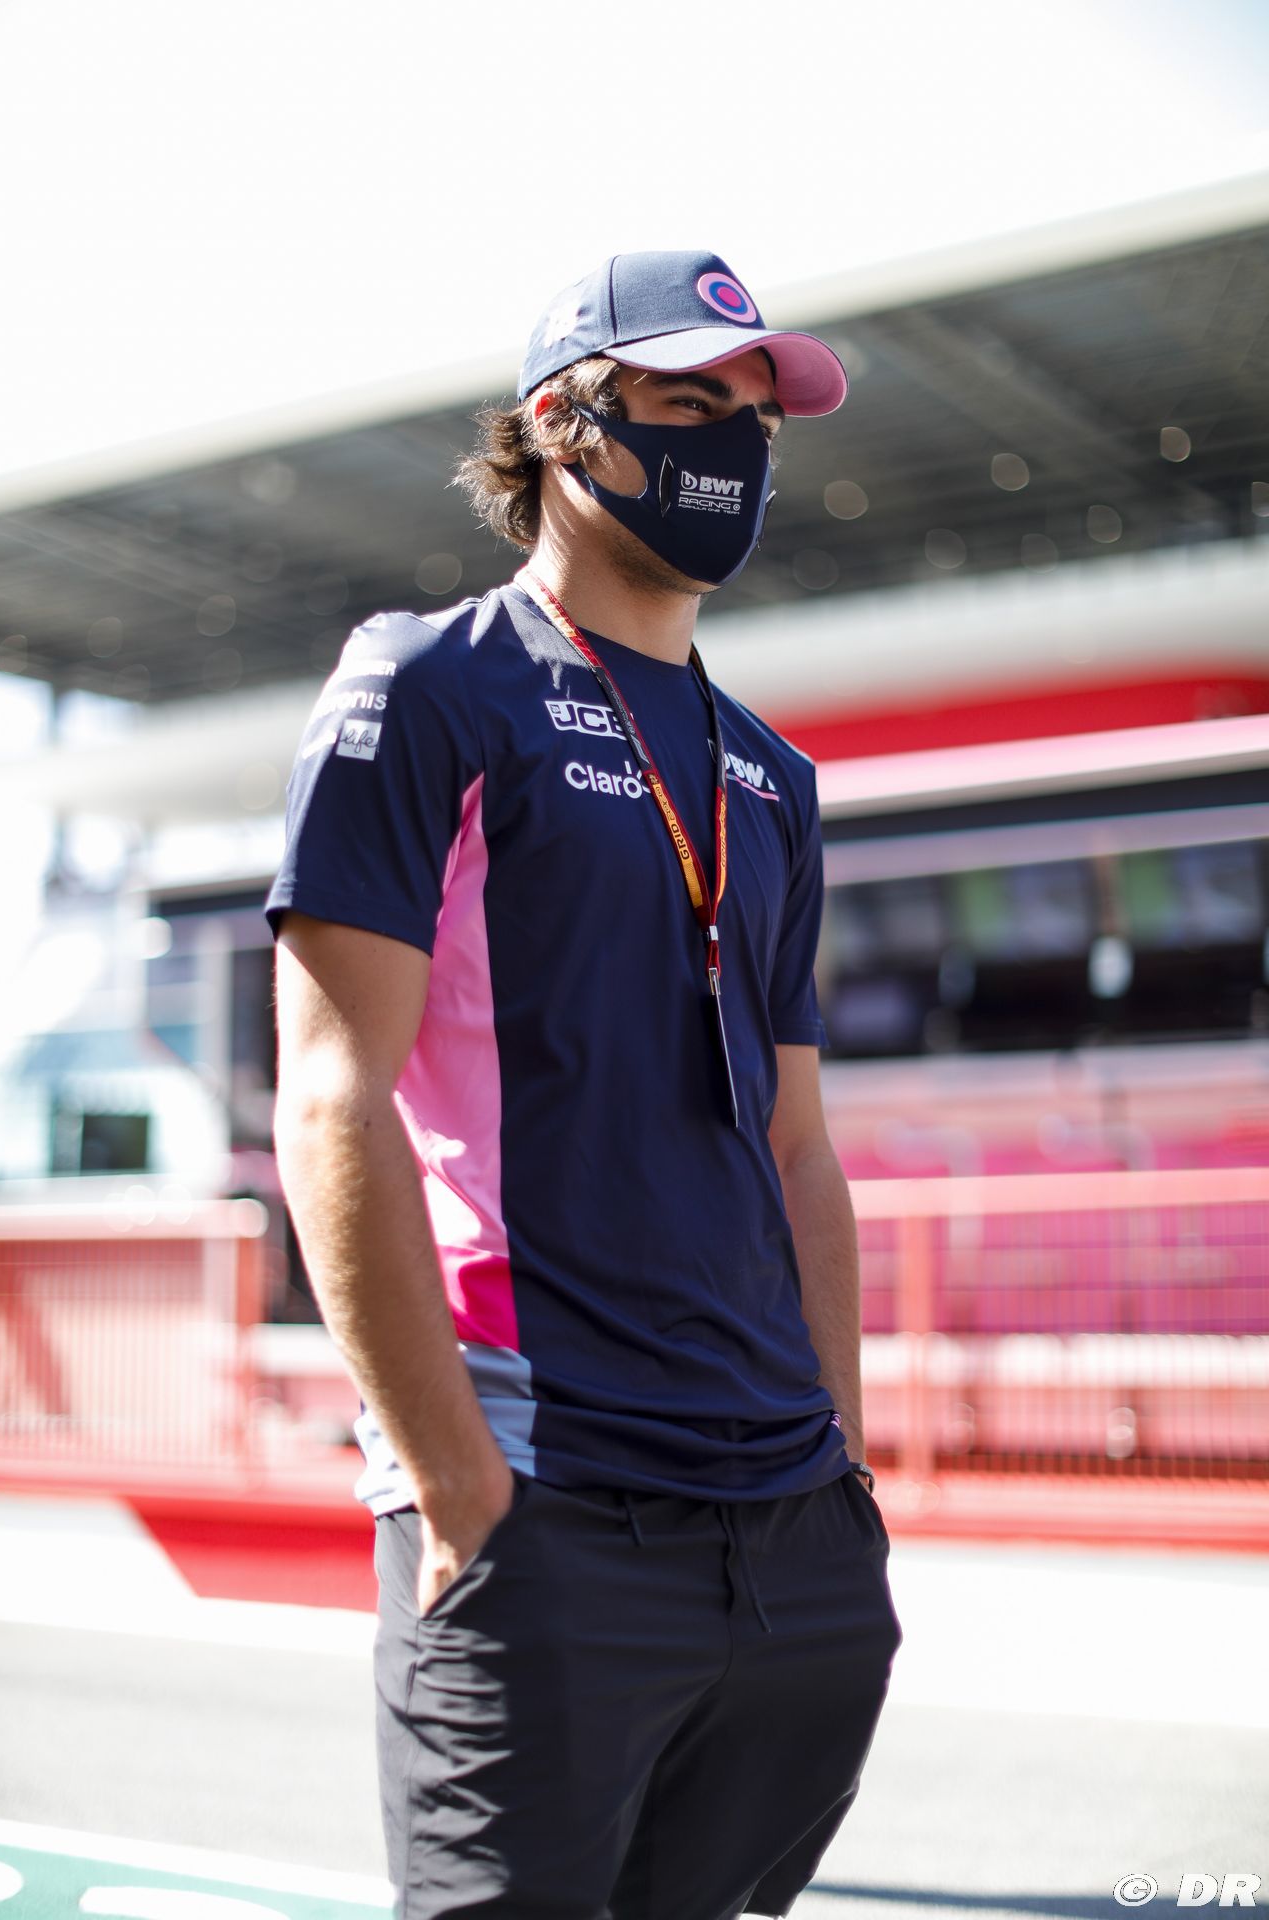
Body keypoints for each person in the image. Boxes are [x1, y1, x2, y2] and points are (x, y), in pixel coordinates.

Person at [267, 250, 903, 1920]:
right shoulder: (429, 684)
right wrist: (458, 1487)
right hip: (540, 1494)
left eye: (759, 416)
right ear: (562, 422)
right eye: (691, 402)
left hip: (788, 1532)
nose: (736, 446)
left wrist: (841, 1475)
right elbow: (331, 1100)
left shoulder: (773, 775)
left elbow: (798, 1146)